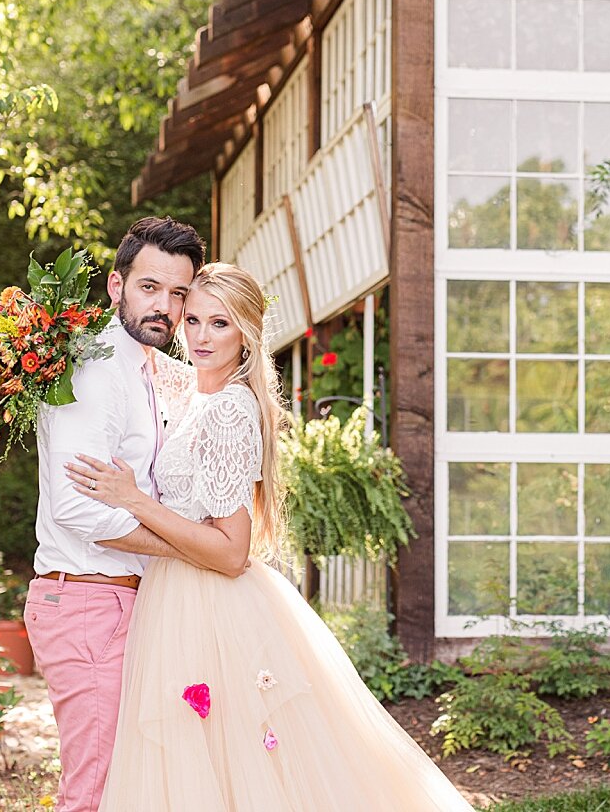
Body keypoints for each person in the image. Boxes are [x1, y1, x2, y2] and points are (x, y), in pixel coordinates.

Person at [67, 263, 474, 811]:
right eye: (194, 320)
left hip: (209, 605)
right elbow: (133, 358)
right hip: (173, 600)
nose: (202, 336)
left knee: (234, 766)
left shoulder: (231, 411)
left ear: (246, 336)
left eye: (221, 323)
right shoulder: (194, 395)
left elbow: (233, 551)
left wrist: (133, 499)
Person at [25, 216, 208, 812]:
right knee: (95, 791)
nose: (165, 306)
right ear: (115, 286)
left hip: (129, 601)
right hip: (85, 601)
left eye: (178, 293)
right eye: (149, 287)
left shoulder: (151, 372)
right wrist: (189, 548)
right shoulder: (95, 369)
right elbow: (79, 506)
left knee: (134, 786)